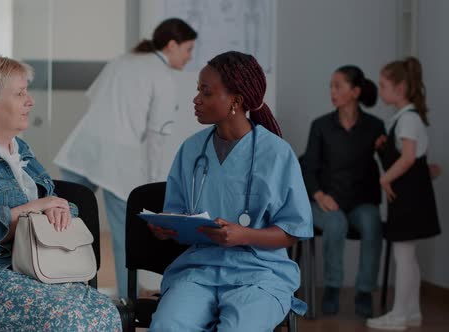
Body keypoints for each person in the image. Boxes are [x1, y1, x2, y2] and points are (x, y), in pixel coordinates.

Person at [0, 55, 121, 331]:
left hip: (28, 270)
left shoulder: (22, 152)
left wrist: (56, 208)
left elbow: (53, 205)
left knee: (105, 311)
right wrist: (31, 209)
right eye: (19, 93)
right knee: (72, 319)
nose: (30, 101)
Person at [147, 51, 313, 331]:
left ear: (235, 100)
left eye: (206, 92)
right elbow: (176, 211)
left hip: (260, 273)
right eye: (198, 90)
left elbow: (292, 232)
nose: (196, 99)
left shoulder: (276, 154)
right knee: (167, 326)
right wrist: (167, 226)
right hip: (200, 270)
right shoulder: (191, 150)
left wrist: (243, 235)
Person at [53, 18, 197, 298]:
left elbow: (94, 98)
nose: (190, 57)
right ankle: (126, 297)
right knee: (123, 235)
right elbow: (156, 139)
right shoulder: (163, 77)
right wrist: (154, 185)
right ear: (172, 45)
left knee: (60, 223)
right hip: (117, 159)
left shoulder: (123, 60)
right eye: (189, 49)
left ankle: (58, 290)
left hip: (83, 148)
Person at [301, 65, 385, 317]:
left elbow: (392, 162)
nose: (332, 91)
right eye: (331, 86)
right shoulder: (321, 126)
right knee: (336, 223)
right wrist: (319, 195)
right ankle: (333, 289)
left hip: (360, 203)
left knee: (372, 223)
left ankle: (364, 292)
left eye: (338, 86)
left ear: (355, 91)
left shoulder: (375, 126)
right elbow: (307, 168)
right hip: (324, 202)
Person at [367, 57, 441, 330]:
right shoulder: (403, 119)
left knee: (404, 257)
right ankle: (411, 313)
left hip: (409, 199)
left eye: (383, 85)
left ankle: (400, 315)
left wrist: (385, 178)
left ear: (399, 89)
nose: (380, 89)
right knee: (407, 256)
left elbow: (408, 158)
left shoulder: (408, 119)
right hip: (409, 197)